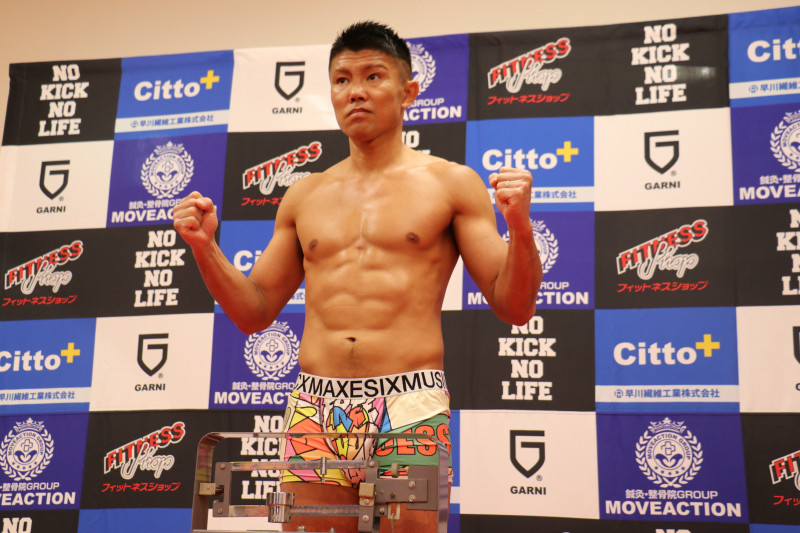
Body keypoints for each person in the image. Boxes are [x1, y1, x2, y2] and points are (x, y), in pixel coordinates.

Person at [173, 21, 542, 533]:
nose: (356, 91)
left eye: (374, 76)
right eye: (342, 80)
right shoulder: (303, 195)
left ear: (408, 92)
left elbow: (516, 307)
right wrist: (204, 247)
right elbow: (253, 312)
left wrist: (520, 227)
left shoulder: (451, 184)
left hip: (408, 402)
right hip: (315, 404)